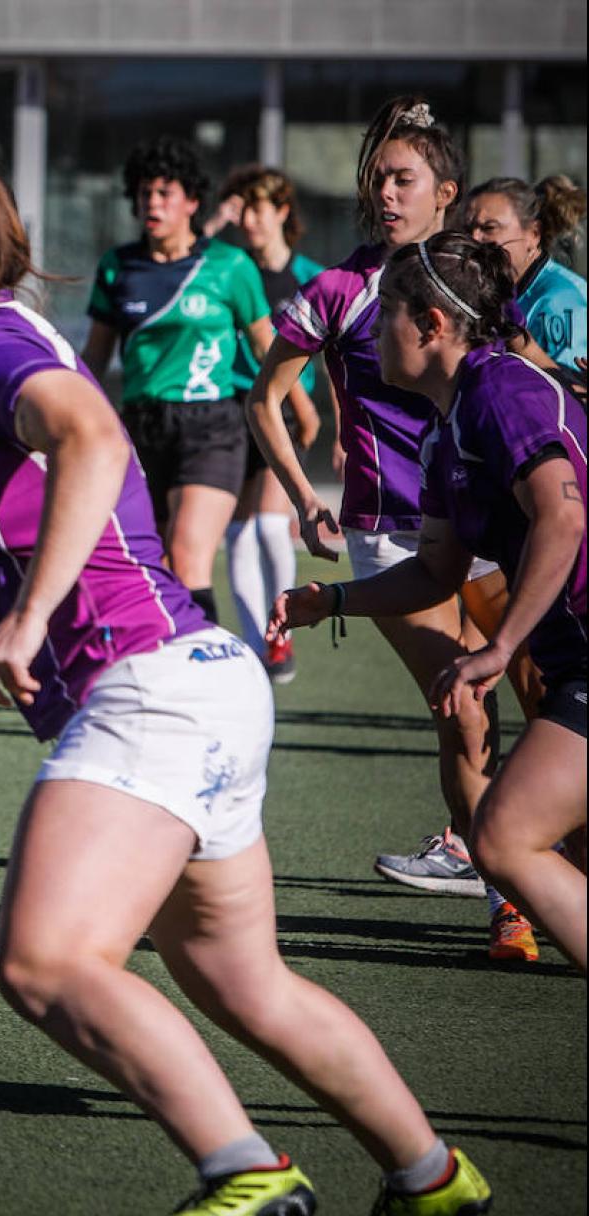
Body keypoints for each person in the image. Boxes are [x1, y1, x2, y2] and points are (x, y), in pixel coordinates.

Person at [0, 149, 489, 1216]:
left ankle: (248, 1172)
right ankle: (435, 1178)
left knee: (45, 960)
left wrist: (25, 615)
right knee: (242, 984)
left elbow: (94, 437)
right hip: (200, 682)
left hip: (146, 688)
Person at [246, 96, 544, 962]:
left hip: (490, 525)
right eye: (376, 178)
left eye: (403, 179)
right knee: (465, 708)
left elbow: (522, 383)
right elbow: (265, 401)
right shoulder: (339, 289)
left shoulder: (469, 279)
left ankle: (526, 853)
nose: (385, 194)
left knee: (544, 693)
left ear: (444, 193)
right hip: (391, 535)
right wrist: (305, 497)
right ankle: (506, 897)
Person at [273, 232, 586, 971]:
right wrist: (334, 598)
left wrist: (500, 647)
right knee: (518, 839)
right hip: (575, 664)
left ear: (433, 326)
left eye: (386, 317)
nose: (373, 332)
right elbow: (437, 572)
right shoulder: (446, 428)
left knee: (506, 839)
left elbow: (564, 517)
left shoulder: (498, 391)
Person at [82, 135, 276, 627]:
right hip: (142, 429)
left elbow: (269, 348)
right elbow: (94, 360)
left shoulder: (229, 267)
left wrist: (313, 412)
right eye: (145, 193)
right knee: (155, 565)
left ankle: (215, 672)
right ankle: (170, 664)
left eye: (165, 193)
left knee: (189, 559)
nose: (152, 202)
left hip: (211, 426)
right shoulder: (117, 267)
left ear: (191, 201)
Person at [217, 166, 328, 682]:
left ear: (282, 211)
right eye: (242, 212)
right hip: (228, 408)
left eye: (257, 209)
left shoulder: (309, 276)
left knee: (265, 526)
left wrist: (332, 422)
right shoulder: (231, 268)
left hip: (282, 410)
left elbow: (333, 358)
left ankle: (280, 635)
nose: (250, 222)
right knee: (238, 535)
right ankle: (256, 644)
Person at [466, 174, 588, 368]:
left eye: (489, 228)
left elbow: (570, 392)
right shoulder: (487, 289)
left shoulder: (562, 300)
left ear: (533, 234)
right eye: (467, 229)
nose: (473, 239)